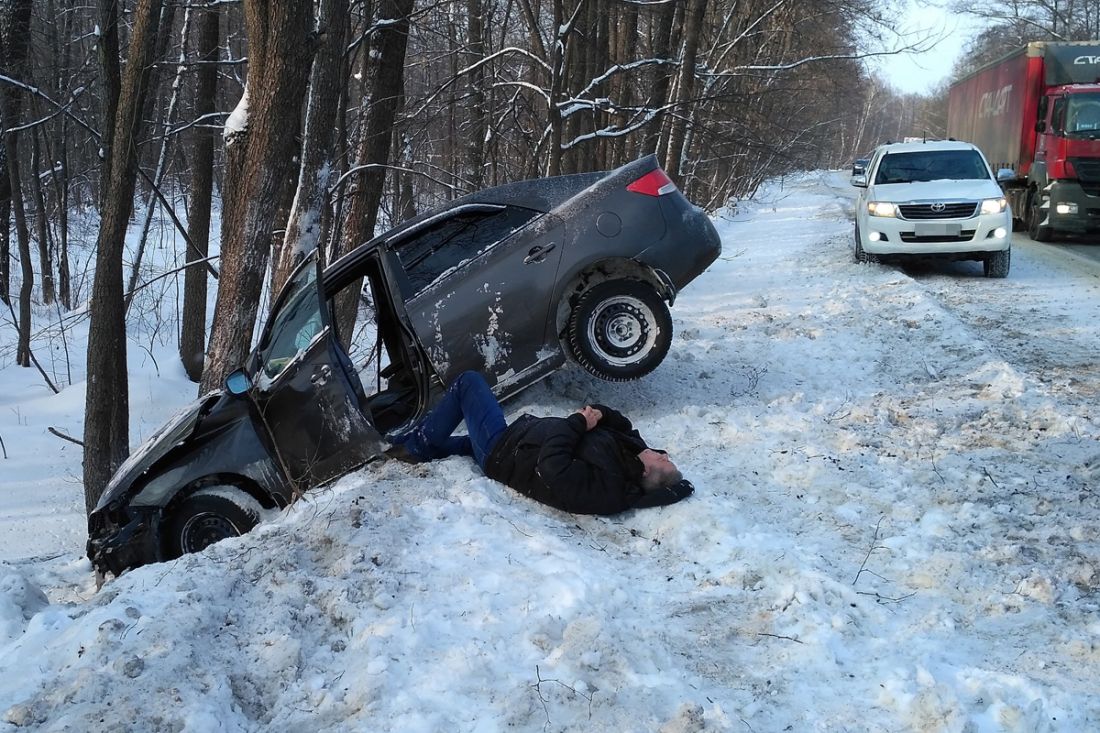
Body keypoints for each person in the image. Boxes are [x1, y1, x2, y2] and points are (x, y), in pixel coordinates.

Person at [390, 371, 694, 514]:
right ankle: (397, 445)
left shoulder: (607, 489)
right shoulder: (633, 453)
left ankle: (415, 448)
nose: (662, 452)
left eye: (663, 460)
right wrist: (600, 413)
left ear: (646, 474)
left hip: (502, 452)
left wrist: (577, 423)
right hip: (519, 442)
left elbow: (552, 466)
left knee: (468, 383)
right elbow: (621, 424)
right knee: (465, 442)